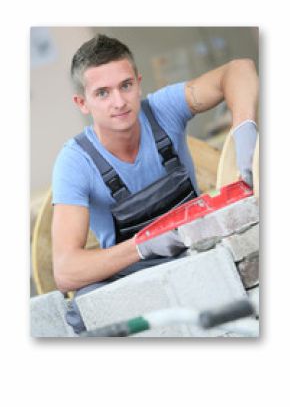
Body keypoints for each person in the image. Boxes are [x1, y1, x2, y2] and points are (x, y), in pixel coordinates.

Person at [52, 34, 258, 333]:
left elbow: (239, 69)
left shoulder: (163, 109)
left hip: (201, 246)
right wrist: (143, 247)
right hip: (137, 275)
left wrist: (244, 128)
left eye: (126, 86)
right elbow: (66, 271)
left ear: (138, 82)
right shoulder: (74, 163)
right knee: (82, 310)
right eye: (102, 93)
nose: (119, 102)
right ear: (82, 103)